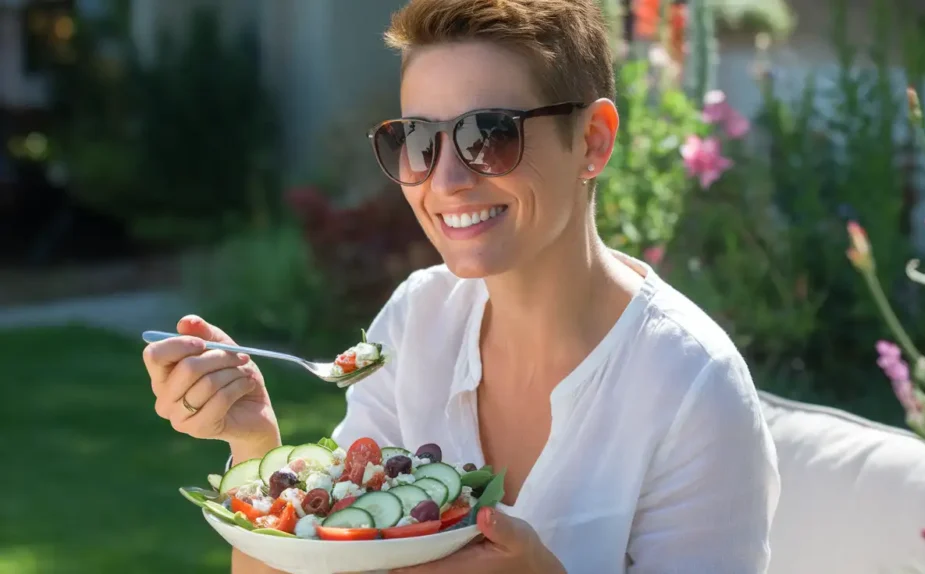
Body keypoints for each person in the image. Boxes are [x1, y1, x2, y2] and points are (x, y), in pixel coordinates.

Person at [142, 0, 780, 572]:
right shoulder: (416, 321)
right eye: (416, 140)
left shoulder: (692, 386)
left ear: (592, 141)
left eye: (491, 133)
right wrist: (254, 444)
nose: (444, 181)